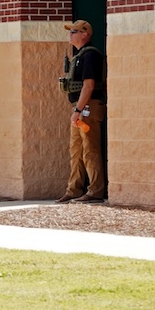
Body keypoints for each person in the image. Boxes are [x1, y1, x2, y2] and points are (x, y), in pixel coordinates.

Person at [57, 20, 107, 204]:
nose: (70, 34)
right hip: (79, 109)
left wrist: (78, 110)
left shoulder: (90, 55)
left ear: (85, 34)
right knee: (76, 150)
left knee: (89, 149)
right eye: (70, 31)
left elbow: (89, 85)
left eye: (74, 31)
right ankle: (73, 190)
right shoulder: (79, 55)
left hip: (88, 108)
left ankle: (95, 191)